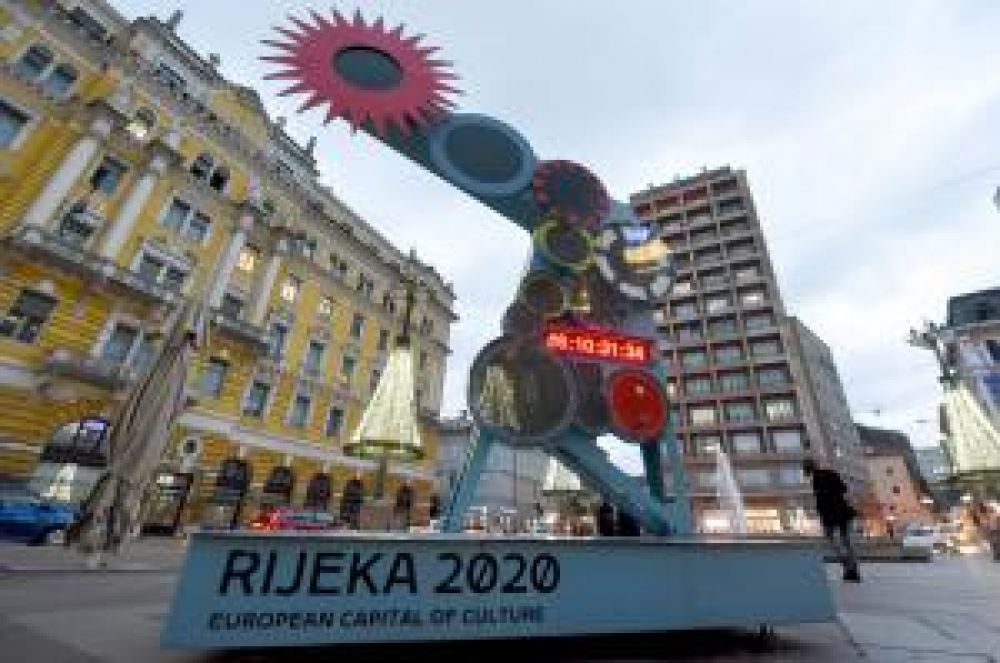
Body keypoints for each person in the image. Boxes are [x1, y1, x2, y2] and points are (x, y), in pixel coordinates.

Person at [804, 459, 861, 583]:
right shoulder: (831, 473)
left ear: (807, 470)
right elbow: (844, 489)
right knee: (847, 540)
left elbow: (820, 501)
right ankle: (853, 569)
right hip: (843, 511)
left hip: (829, 515)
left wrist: (822, 515)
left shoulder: (816, 480)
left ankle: (846, 564)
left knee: (831, 539)